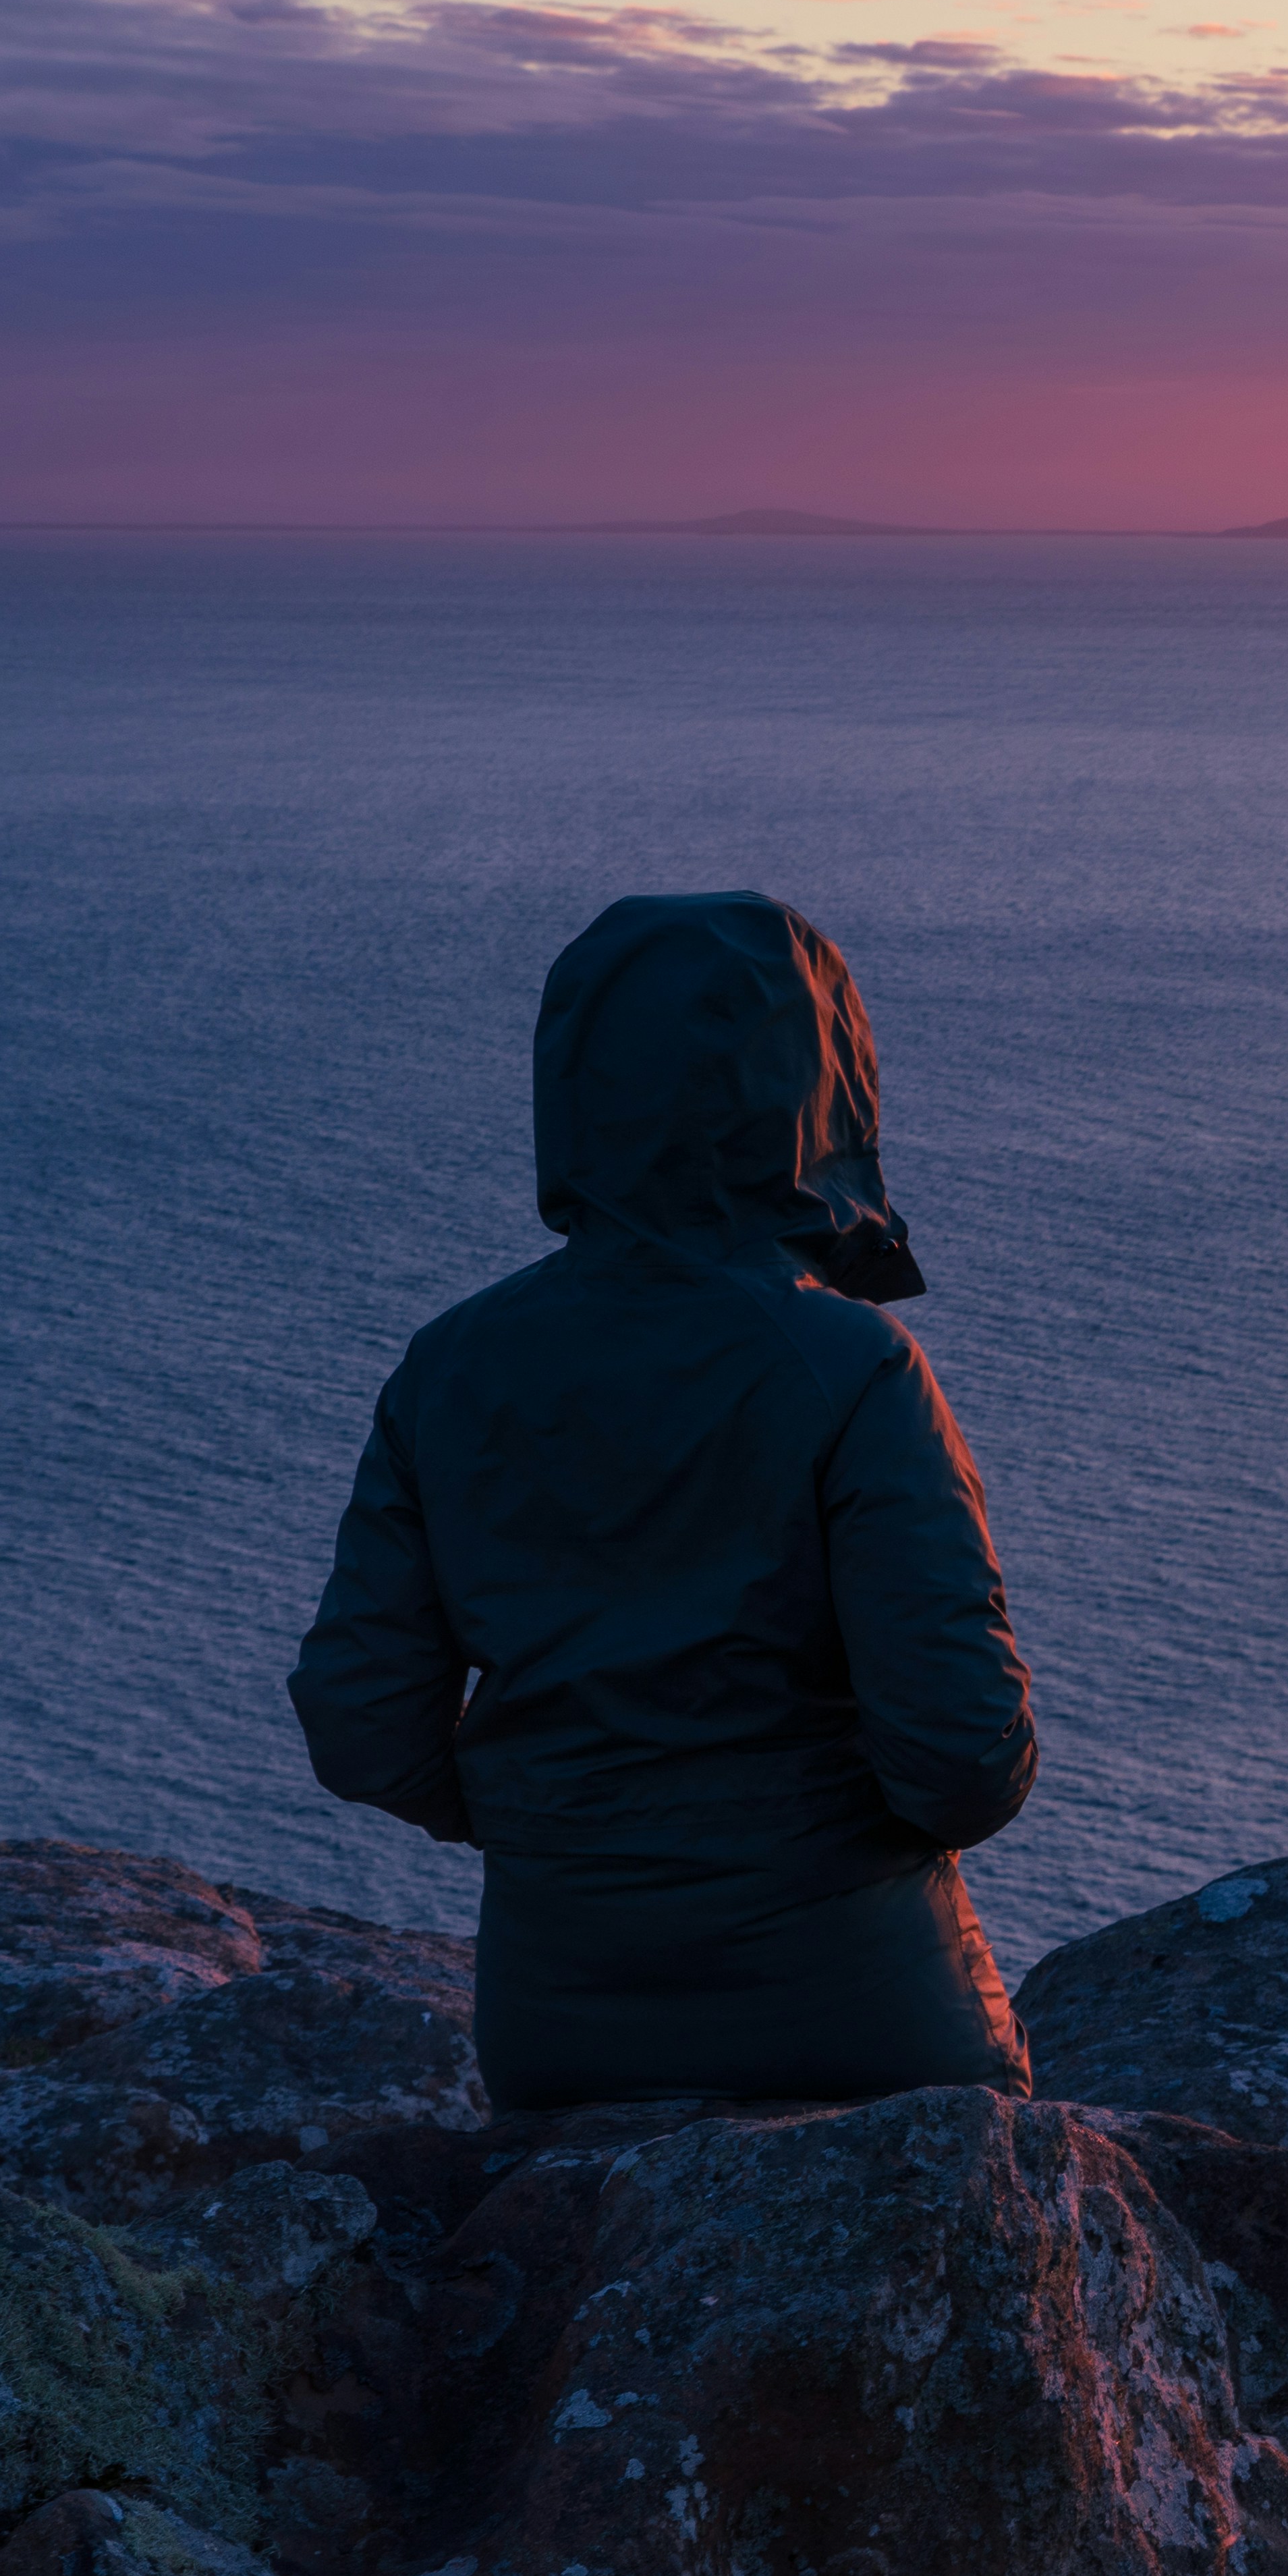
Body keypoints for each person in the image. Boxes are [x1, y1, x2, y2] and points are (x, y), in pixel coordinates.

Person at [289, 891, 1040, 2112]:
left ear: (574, 1085)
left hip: (562, 2035)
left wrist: (571, 1827)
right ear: (825, 1086)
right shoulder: (852, 1369)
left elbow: (360, 1721)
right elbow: (965, 1760)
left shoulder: (452, 1364)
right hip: (867, 2033)